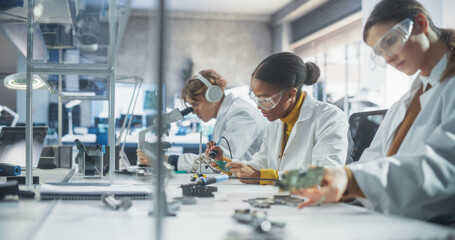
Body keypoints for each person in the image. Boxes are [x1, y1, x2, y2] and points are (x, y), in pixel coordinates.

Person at [291, 0, 455, 226]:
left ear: (420, 23)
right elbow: (372, 158)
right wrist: (338, 179)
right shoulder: (405, 102)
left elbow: (445, 166)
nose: (387, 57)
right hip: (395, 217)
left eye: (391, 41)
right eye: (380, 51)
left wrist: (353, 180)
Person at [209, 52, 350, 184]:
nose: (259, 106)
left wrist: (265, 177)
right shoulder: (277, 121)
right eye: (256, 98)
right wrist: (224, 163)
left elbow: (325, 176)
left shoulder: (330, 118)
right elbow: (259, 166)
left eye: (265, 99)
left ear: (290, 94)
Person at [137, 69, 267, 172]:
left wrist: (166, 159)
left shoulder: (241, 114)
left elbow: (217, 162)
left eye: (195, 104)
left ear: (213, 96)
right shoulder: (227, 115)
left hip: (251, 185)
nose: (193, 111)